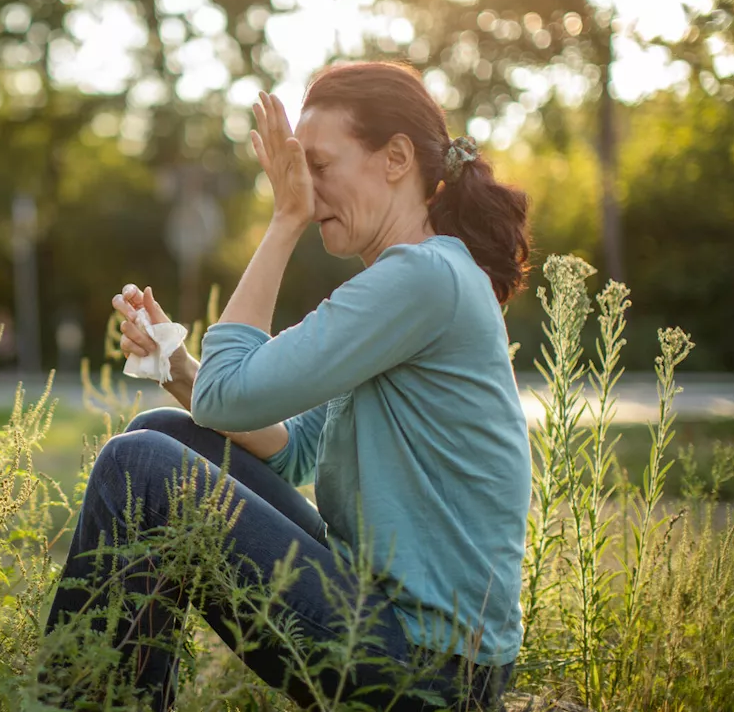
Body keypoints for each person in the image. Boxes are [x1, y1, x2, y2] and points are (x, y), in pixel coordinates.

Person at [41, 61, 531, 711]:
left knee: (137, 467)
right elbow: (293, 447)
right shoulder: (411, 282)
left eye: (319, 166)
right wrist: (180, 370)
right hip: (395, 631)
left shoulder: (423, 280)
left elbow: (230, 394)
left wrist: (284, 220)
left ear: (396, 157)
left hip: (428, 667)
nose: (304, 186)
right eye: (298, 173)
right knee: (159, 435)